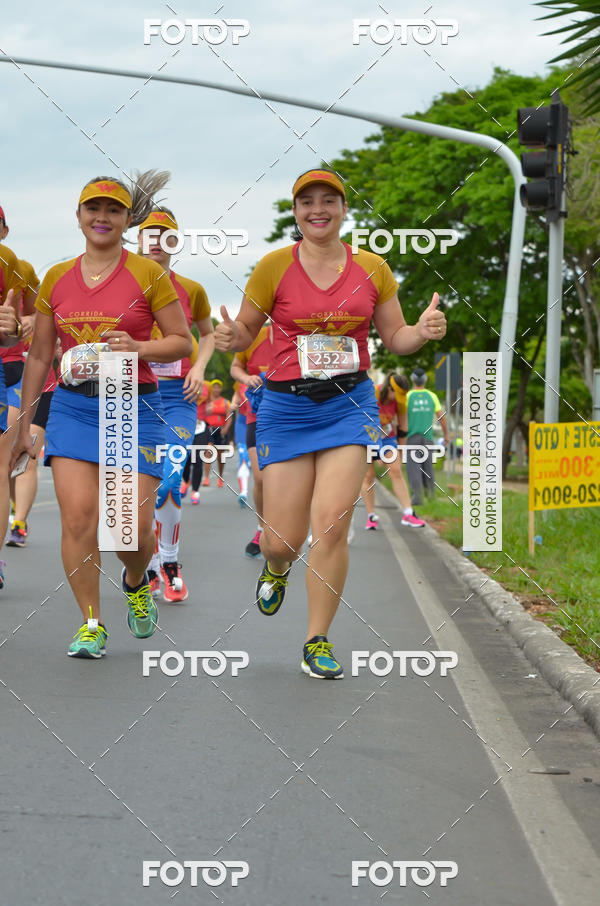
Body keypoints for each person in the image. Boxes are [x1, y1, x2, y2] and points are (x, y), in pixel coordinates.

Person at [215, 168, 446, 679]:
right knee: (281, 540)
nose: (318, 209)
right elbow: (246, 331)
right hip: (286, 407)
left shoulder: (373, 268)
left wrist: (423, 332)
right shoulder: (274, 266)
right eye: (307, 202)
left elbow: (396, 338)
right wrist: (231, 337)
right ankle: (276, 569)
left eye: (328, 200)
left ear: (344, 209)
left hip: (349, 404)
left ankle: (317, 639)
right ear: (296, 212)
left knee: (333, 524)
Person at [10, 173, 193, 658]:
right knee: (78, 521)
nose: (102, 217)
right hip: (74, 406)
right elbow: (39, 355)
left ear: (127, 219)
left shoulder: (148, 275)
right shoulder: (57, 278)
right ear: (79, 217)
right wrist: (28, 422)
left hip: (136, 407)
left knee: (127, 527)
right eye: (94, 208)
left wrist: (140, 346)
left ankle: (136, 579)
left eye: (113, 210)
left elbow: (182, 340)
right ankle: (91, 622)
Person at [138, 208, 214, 602]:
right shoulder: (124, 285)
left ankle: (169, 561)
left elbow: (209, 335)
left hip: (177, 398)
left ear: (175, 243)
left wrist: (199, 367)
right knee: (137, 489)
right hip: (132, 397)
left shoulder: (192, 289)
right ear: (137, 240)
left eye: (165, 235)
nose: (156, 241)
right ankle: (147, 567)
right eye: (149, 234)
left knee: (169, 481)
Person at [229, 324, 274, 557]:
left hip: (291, 416)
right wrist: (247, 377)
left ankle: (288, 530)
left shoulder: (298, 334)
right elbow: (235, 367)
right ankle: (261, 529)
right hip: (256, 415)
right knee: (260, 477)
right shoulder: (253, 338)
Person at [361, 372, 425, 530]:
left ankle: (408, 513)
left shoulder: (400, 401)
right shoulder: (373, 393)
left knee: (396, 470)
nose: (399, 399)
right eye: (397, 394)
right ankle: (371, 516)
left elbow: (403, 428)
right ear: (388, 389)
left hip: (388, 436)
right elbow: (366, 422)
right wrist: (378, 453)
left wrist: (400, 452)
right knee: (369, 476)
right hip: (367, 435)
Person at [5, 258, 40, 547]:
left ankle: (18, 522)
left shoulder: (20, 269)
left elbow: (45, 313)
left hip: (21, 371)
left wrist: (30, 321)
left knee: (18, 457)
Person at [0, 238, 29, 585]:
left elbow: (15, 332)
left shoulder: (9, 260)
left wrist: (15, 327)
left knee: (9, 456)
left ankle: (18, 521)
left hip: (14, 371)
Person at [405, 366, 449, 505]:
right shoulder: (432, 396)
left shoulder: (408, 396)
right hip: (428, 438)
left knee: (414, 468)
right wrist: (446, 435)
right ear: (425, 380)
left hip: (412, 437)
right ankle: (431, 497)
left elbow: (401, 417)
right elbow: (441, 417)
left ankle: (417, 498)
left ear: (412, 379)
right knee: (427, 468)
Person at [181, 379, 211, 504]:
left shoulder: (207, 385)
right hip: (186, 424)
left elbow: (209, 402)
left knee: (198, 459)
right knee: (186, 459)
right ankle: (187, 481)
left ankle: (195, 492)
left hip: (201, 426)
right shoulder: (184, 381)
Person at [203, 379, 230, 488]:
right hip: (209, 429)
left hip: (221, 429)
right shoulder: (207, 401)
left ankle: (220, 477)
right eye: (214, 387)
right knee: (208, 451)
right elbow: (201, 413)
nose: (216, 389)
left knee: (220, 455)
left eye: (218, 387)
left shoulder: (225, 402)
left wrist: (226, 428)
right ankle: (206, 478)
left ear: (221, 389)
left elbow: (229, 417)